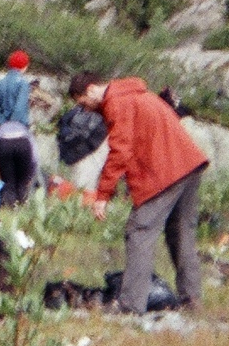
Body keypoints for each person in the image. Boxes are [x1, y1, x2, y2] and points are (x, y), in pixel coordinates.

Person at [80, 71, 210, 315]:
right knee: (181, 234)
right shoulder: (138, 94)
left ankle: (130, 304)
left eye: (82, 102)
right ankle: (192, 300)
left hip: (165, 171)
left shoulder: (117, 102)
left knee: (139, 231)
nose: (86, 109)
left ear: (90, 89)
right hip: (189, 164)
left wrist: (102, 195)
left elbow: (121, 151)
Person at [0, 50, 40, 207]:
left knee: (8, 182)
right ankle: (22, 210)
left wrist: (4, 122)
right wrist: (15, 123)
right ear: (25, 66)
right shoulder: (23, 83)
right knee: (22, 184)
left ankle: (8, 210)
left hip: (2, 140)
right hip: (21, 137)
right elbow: (20, 107)